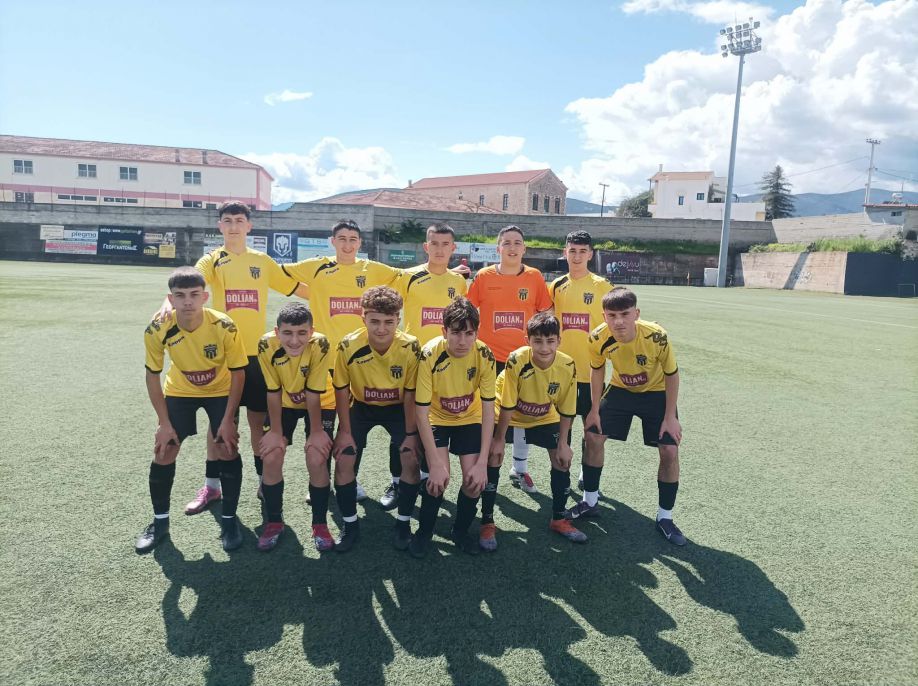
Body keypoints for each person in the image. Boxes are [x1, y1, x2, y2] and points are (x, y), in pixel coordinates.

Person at [156, 201, 307, 515]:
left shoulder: (262, 261)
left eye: (240, 220)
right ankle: (212, 487)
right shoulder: (212, 259)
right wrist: (166, 305)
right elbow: (188, 282)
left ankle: (264, 482)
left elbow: (296, 288)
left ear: (249, 226)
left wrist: (335, 294)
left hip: (256, 357)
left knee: (258, 423)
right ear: (220, 226)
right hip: (224, 358)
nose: (234, 226)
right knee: (220, 426)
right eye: (228, 220)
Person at [283, 220, 403, 504]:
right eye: (342, 238)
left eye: (352, 239)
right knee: (324, 427)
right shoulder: (318, 267)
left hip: (358, 364)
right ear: (332, 241)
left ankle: (351, 479)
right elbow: (279, 273)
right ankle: (321, 481)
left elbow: (407, 276)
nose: (347, 244)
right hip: (324, 362)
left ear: (359, 243)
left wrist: (452, 273)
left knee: (351, 428)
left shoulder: (373, 269)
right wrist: (308, 292)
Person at [136, 267, 247, 554]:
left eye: (194, 295)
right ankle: (160, 523)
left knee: (227, 448)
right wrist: (163, 423)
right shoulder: (157, 328)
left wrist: (228, 419)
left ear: (204, 297)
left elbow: (238, 373)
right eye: (180, 295)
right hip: (180, 391)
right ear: (170, 299)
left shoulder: (224, 325)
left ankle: (229, 521)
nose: (188, 301)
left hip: (220, 391)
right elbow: (152, 376)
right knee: (164, 451)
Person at [565, 287, 686, 546]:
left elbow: (672, 374)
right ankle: (590, 501)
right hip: (621, 389)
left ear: (636, 314)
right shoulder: (597, 337)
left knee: (669, 450)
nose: (618, 321)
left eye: (625, 314)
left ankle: (665, 517)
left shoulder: (656, 336)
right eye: (612, 315)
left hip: (656, 393)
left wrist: (670, 417)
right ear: (604, 316)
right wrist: (594, 410)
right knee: (593, 436)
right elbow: (597, 371)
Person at [483, 312, 586, 550]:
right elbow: (508, 403)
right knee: (493, 455)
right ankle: (487, 522)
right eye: (537, 341)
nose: (544, 347)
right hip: (507, 412)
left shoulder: (568, 364)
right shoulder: (517, 359)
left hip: (544, 414)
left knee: (561, 460)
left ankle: (559, 519)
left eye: (550, 341)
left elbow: (567, 407)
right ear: (527, 340)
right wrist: (499, 439)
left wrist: (563, 443)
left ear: (559, 340)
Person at [332, 286, 422, 552]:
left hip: (398, 408)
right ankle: (350, 525)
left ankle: (403, 524)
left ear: (398, 320)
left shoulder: (410, 346)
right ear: (363, 318)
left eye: (388, 322)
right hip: (361, 407)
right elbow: (341, 390)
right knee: (344, 459)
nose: (381, 328)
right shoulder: (348, 345)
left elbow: (410, 394)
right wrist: (344, 432)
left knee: (410, 458)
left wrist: (410, 434)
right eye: (374, 321)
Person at [388, 222, 468, 509]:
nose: (440, 249)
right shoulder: (407, 277)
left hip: (444, 363)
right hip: (413, 361)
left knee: (433, 422)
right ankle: (396, 482)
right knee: (405, 424)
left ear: (453, 248)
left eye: (445, 244)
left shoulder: (459, 282)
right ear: (425, 246)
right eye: (434, 243)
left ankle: (424, 477)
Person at [410, 297, 496, 558]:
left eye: (469, 333)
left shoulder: (485, 355)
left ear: (476, 333)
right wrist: (435, 463)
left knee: (474, 482)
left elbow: (489, 410)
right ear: (444, 331)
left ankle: (460, 531)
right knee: (438, 479)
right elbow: (421, 413)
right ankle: (424, 532)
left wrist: (483, 462)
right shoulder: (429, 354)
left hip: (469, 419)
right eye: (456, 333)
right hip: (437, 418)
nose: (462, 341)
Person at [468, 225, 550, 496]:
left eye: (517, 243)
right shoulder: (484, 276)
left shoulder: (534, 277)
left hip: (523, 359)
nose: (512, 247)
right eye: (507, 243)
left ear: (524, 248)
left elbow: (545, 314)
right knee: (488, 415)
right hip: (489, 359)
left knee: (522, 413)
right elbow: (469, 311)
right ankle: (484, 467)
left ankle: (519, 468)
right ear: (498, 248)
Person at [255, 302, 334, 552]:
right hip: (284, 401)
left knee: (317, 457)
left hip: (321, 401)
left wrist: (317, 432)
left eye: (302, 333)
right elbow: (273, 390)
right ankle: (274, 522)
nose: (294, 340)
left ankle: (320, 524)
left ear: (312, 331)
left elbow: (313, 392)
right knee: (271, 455)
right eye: (287, 333)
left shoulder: (321, 344)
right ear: (277, 332)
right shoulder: (265, 345)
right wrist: (275, 432)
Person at [548, 231, 613, 492]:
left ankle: (588, 474)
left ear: (590, 254)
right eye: (572, 251)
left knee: (592, 429)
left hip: (591, 373)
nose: (576, 256)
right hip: (562, 372)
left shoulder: (602, 286)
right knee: (562, 429)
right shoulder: (556, 285)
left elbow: (614, 323)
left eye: (582, 251)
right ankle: (561, 474)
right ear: (565, 253)